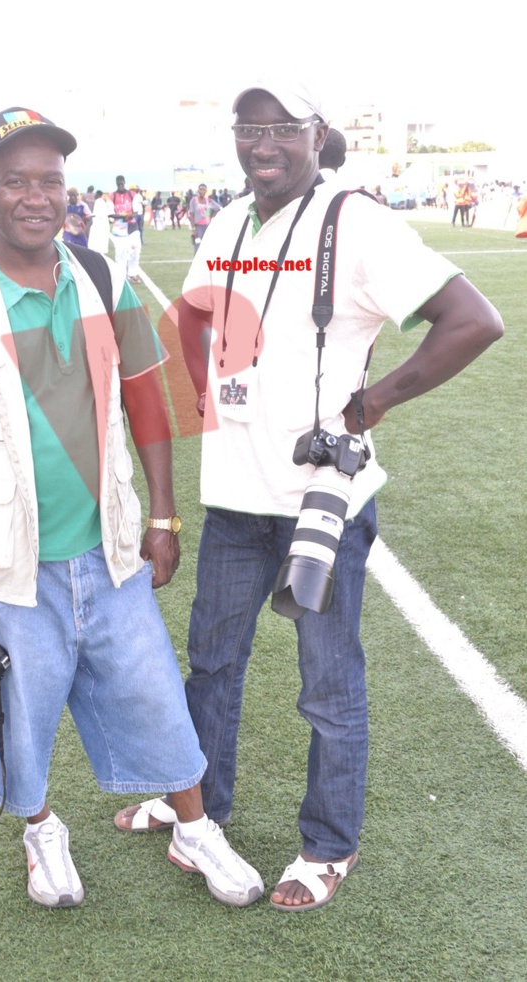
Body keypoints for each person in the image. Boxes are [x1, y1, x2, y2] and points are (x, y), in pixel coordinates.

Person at [114, 78, 504, 912]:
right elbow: (190, 318)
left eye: (283, 129)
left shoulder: (353, 221)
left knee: (326, 683)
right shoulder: (225, 222)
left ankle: (329, 845)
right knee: (212, 667)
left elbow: (473, 318)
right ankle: (197, 808)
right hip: (233, 499)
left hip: (320, 499)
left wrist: (373, 404)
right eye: (249, 129)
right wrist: (210, 389)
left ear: (315, 133)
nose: (264, 145)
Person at [0, 106, 263, 911]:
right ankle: (41, 830)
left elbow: (148, 405)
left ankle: (193, 827)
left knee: (156, 700)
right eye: (16, 181)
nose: (36, 197)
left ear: (68, 191)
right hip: (4, 564)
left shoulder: (101, 278)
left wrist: (164, 516)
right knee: (16, 719)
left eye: (51, 181)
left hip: (108, 551)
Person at [109, 175, 141, 284]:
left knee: (135, 251)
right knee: (120, 254)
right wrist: (124, 217)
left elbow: (137, 212)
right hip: (119, 229)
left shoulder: (132, 195)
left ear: (124, 182)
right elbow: (111, 214)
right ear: (116, 183)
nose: (120, 184)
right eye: (118, 183)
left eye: (122, 182)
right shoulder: (112, 196)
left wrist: (130, 216)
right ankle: (120, 276)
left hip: (132, 228)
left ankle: (132, 273)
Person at [188, 183, 219, 253]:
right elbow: (191, 215)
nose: (201, 191)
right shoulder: (194, 200)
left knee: (208, 244)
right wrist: (193, 229)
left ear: (206, 191)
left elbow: (218, 208)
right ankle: (197, 261)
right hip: (198, 226)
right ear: (198, 190)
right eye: (200, 189)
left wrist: (211, 216)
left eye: (203, 190)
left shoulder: (209, 201)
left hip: (207, 225)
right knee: (197, 244)